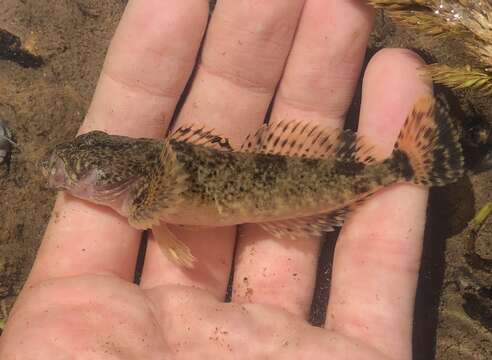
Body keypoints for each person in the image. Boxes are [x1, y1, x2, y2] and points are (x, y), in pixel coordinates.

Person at [0, 1, 432, 358]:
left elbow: (159, 221)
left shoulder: (149, 199)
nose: (68, 175)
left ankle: (403, 166)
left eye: (82, 171)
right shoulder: (147, 179)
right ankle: (402, 167)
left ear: (116, 173)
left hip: (289, 183)